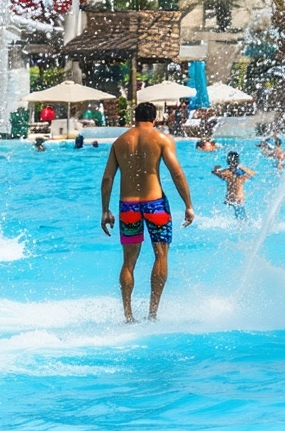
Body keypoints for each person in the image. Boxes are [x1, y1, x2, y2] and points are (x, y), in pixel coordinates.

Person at [100, 101, 194, 323]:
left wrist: (105, 210)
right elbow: (177, 173)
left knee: (128, 262)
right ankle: (152, 313)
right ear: (154, 119)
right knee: (161, 255)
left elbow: (107, 178)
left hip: (128, 206)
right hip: (155, 204)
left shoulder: (120, 142)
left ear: (135, 117)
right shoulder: (161, 139)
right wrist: (188, 204)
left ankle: (128, 315)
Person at [212, 151, 256, 220]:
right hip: (238, 199)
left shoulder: (227, 172)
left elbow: (215, 173)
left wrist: (215, 169)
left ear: (228, 161)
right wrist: (241, 167)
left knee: (234, 218)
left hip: (229, 199)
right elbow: (253, 173)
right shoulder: (241, 174)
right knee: (243, 220)